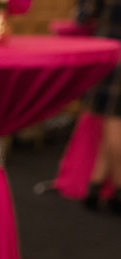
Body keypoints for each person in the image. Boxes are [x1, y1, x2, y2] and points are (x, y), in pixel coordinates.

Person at [79, 0, 121, 212]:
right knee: (113, 122)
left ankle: (104, 188)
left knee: (112, 121)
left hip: (111, 52)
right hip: (113, 52)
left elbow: (86, 14)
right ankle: (104, 187)